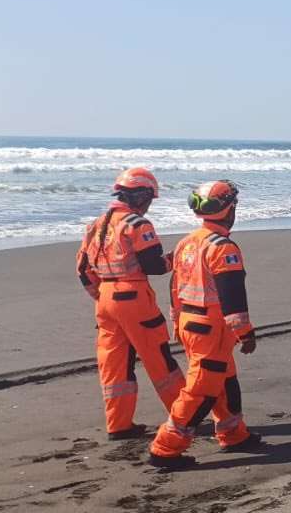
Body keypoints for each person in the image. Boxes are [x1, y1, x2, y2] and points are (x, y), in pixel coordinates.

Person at [148, 180, 262, 469]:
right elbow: (232, 295)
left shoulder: (187, 242)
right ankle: (165, 449)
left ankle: (234, 434)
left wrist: (177, 323)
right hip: (212, 329)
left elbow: (175, 287)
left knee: (226, 382)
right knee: (201, 391)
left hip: (193, 324)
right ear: (230, 209)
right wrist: (245, 333)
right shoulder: (223, 248)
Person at [76, 167, 184, 440]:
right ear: (140, 197)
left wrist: (101, 295)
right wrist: (175, 258)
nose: (148, 206)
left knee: (115, 363)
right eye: (149, 200)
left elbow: (82, 269)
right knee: (158, 358)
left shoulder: (95, 225)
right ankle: (184, 414)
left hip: (105, 300)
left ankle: (119, 425)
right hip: (134, 299)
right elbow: (154, 266)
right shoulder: (138, 225)